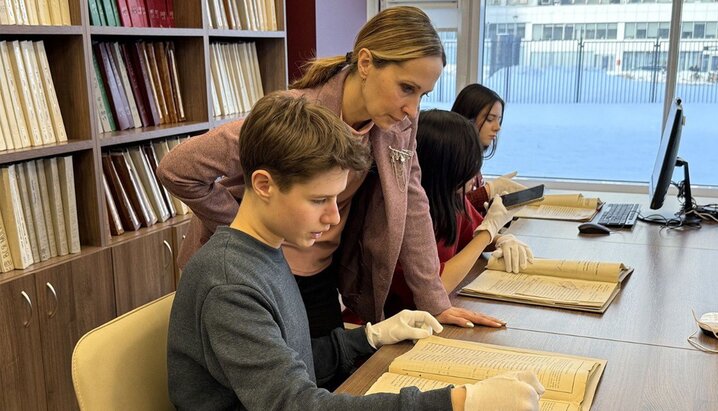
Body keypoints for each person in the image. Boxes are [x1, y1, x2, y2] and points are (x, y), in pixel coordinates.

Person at [167, 93, 544, 410]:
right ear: (264, 185)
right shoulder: (231, 284)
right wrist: (457, 402)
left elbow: (290, 361)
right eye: (319, 200)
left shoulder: (266, 250)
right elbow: (296, 404)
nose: (333, 217)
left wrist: (369, 337)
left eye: (336, 199)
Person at [157, 6, 496, 338]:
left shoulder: (398, 124)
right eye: (406, 88)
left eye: (423, 94)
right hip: (252, 270)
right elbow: (177, 169)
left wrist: (435, 302)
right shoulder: (296, 116)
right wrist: (248, 229)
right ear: (366, 63)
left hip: (318, 272)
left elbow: (412, 203)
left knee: (335, 367)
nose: (413, 109)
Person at [385, 110, 533, 319]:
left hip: (427, 317)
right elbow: (436, 288)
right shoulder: (405, 215)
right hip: (391, 322)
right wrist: (488, 232)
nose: (474, 176)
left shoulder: (452, 199)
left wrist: (501, 239)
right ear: (444, 167)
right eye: (466, 167)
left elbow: (473, 237)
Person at [451, 84, 527, 214]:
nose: (497, 127)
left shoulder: (473, 157)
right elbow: (454, 209)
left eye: (499, 120)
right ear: (467, 118)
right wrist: (488, 191)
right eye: (490, 119)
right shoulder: (451, 158)